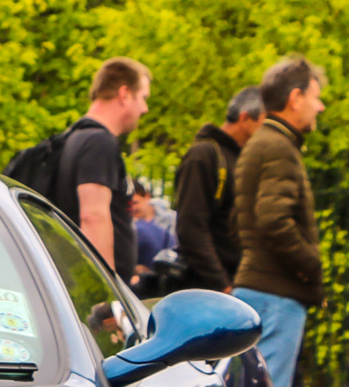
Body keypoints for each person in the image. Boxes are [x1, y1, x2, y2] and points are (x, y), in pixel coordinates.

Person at [233, 56, 327, 387]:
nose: (320, 105)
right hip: (277, 293)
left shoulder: (259, 144)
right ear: (294, 98)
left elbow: (246, 220)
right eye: (315, 95)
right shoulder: (280, 148)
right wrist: (311, 264)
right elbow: (273, 220)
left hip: (259, 287)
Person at [53, 57, 152, 278]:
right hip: (95, 292)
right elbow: (93, 217)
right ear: (125, 94)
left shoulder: (77, 137)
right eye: (143, 98)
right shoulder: (99, 142)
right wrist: (108, 295)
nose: (145, 109)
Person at [174, 86, 264, 292]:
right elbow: (191, 228)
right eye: (264, 123)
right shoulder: (204, 155)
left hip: (240, 284)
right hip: (209, 290)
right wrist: (222, 284)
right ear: (245, 119)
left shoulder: (244, 159)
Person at [131, 180, 176, 284]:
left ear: (147, 197)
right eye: (129, 204)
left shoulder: (171, 220)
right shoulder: (130, 223)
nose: (133, 208)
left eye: (135, 202)